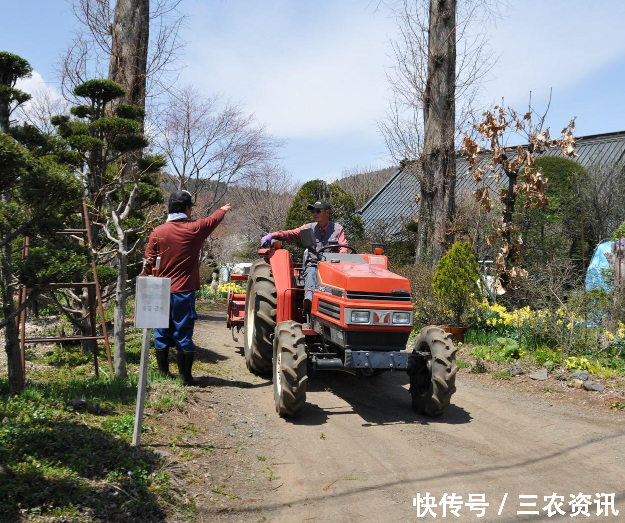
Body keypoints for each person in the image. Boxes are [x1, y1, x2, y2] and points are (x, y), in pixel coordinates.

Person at [142, 190, 233, 385]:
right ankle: (185, 377)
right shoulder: (194, 228)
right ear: (187, 208)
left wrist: (145, 285)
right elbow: (212, 220)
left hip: (159, 291)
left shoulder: (158, 232)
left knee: (161, 331)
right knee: (183, 332)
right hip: (183, 291)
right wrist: (223, 209)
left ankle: (163, 374)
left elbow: (148, 262)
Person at [261, 200, 348, 308]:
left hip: (332, 266)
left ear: (328, 212)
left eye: (318, 211)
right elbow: (291, 234)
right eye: (313, 211)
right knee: (311, 272)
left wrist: (339, 260)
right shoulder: (308, 228)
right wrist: (272, 235)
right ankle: (309, 300)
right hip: (314, 264)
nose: (314, 214)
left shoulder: (338, 228)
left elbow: (343, 247)